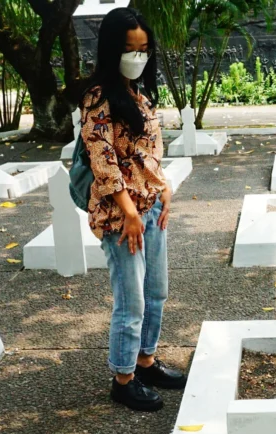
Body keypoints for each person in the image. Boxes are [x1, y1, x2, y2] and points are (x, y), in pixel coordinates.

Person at [80, 7, 186, 412]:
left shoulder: (138, 95)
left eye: (144, 49)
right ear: (111, 49)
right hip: (121, 218)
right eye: (129, 49)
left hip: (151, 209)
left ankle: (145, 360)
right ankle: (123, 378)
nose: (137, 56)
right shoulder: (98, 97)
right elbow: (102, 158)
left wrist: (164, 189)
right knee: (131, 301)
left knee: (156, 291)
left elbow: (148, 154)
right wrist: (127, 211)